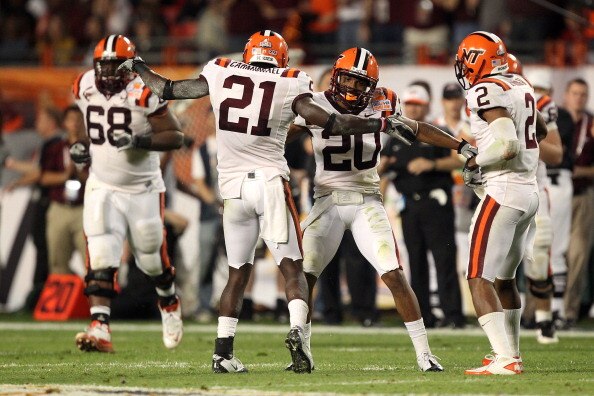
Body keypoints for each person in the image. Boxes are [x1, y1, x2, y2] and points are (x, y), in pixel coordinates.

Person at [121, 30, 417, 373]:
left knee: (236, 274)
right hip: (269, 183)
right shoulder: (292, 81)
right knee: (293, 269)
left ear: (249, 53)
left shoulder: (220, 69)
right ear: (282, 58)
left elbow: (168, 89)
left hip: (231, 190)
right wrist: (379, 122)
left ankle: (222, 353)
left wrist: (139, 67)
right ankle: (296, 332)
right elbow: (332, 122)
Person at [290, 47, 478, 372]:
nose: (351, 88)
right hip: (327, 199)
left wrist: (462, 146)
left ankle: (424, 353)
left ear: (372, 85)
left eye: (359, 83)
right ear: (336, 76)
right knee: (305, 274)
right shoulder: (315, 103)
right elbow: (280, 137)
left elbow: (417, 129)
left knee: (393, 273)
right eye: (347, 79)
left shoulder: (384, 100)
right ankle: (302, 348)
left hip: (366, 198)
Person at [69, 34, 184, 353]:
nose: (107, 73)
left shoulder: (145, 91)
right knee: (101, 249)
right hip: (102, 183)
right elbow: (85, 120)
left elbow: (175, 136)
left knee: (150, 257)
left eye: (115, 66)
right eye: (103, 66)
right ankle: (100, 326)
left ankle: (169, 301)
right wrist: (79, 146)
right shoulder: (83, 84)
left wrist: (139, 141)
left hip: (142, 187)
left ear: (131, 67)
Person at [454, 31, 548, 375]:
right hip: (530, 192)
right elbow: (540, 133)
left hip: (505, 190)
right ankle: (511, 354)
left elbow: (508, 145)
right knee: (505, 279)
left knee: (478, 276)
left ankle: (505, 357)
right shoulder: (519, 83)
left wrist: (476, 162)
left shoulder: (486, 89)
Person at [381, 83, 466, 329]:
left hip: (436, 203)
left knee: (444, 260)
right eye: (409, 104)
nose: (413, 108)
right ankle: (423, 317)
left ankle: (453, 316)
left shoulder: (436, 131)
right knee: (415, 264)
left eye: (417, 104)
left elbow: (456, 159)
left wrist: (431, 165)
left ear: (427, 106)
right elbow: (384, 171)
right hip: (409, 207)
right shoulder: (395, 137)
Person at [511, 64, 563, 344]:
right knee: (498, 261)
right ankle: (501, 324)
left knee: (539, 255)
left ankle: (544, 320)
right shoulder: (485, 99)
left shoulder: (540, 105)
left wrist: (524, 141)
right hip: (501, 186)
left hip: (534, 186)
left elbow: (555, 155)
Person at [562, 78, 594, 328]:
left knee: (578, 254)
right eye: (575, 93)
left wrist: (580, 172)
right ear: (566, 95)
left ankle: (569, 311)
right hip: (553, 193)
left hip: (581, 195)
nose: (579, 98)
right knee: (544, 253)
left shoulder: (591, 124)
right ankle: (538, 312)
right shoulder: (555, 120)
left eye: (583, 94)